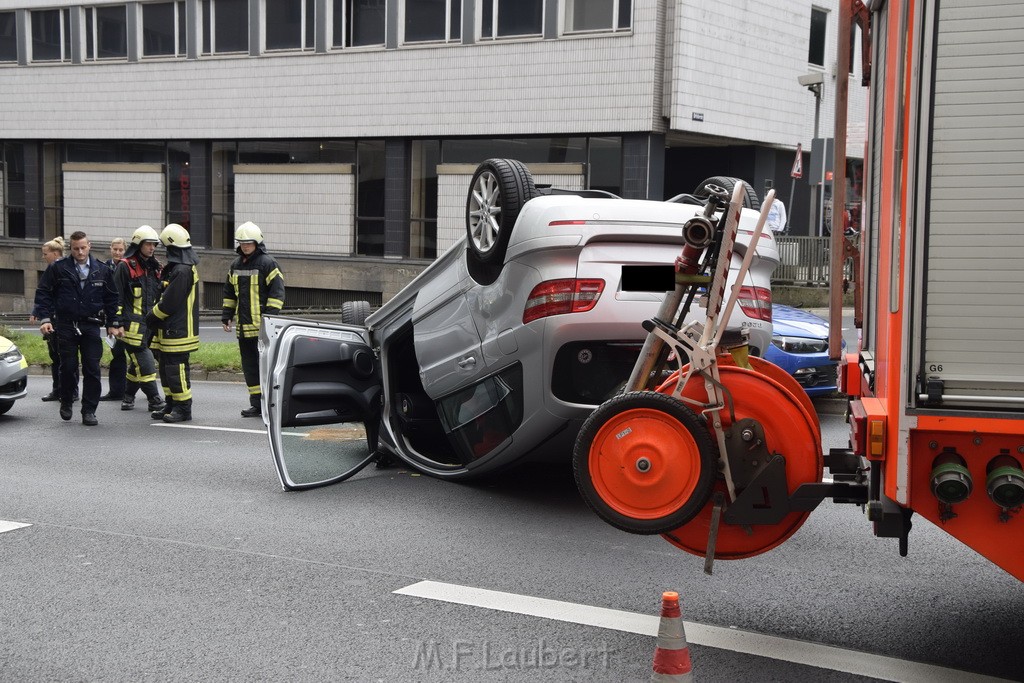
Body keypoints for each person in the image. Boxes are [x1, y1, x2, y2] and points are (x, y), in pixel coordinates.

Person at [33, 231, 123, 426]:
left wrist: (113, 324)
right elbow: (43, 292)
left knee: (92, 369)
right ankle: (66, 400)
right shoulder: (58, 268)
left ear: (89, 246)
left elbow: (111, 299)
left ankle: (89, 410)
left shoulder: (101, 270)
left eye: (83, 248)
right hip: (66, 325)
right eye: (76, 249)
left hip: (91, 325)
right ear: (70, 248)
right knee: (68, 368)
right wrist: (45, 318)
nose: (80, 252)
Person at [221, 222, 285, 418]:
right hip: (243, 329)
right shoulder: (235, 265)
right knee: (250, 368)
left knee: (266, 368)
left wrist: (270, 319)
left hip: (262, 329)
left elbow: (277, 293)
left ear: (257, 243)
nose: (245, 246)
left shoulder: (268, 263)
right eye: (242, 243)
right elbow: (229, 293)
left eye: (248, 243)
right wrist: (226, 316)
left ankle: (270, 404)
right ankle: (256, 404)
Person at [147, 223, 199, 423]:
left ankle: (183, 408)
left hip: (178, 331)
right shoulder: (177, 268)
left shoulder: (183, 271)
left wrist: (151, 316)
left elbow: (169, 303)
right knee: (167, 371)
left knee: (176, 371)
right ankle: (171, 404)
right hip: (169, 330)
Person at [113, 226, 165, 413]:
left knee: (136, 365)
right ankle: (155, 400)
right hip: (130, 327)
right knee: (146, 362)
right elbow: (115, 297)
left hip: (150, 326)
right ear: (138, 244)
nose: (152, 248)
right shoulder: (124, 266)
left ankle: (128, 398)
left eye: (154, 244)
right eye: (148, 244)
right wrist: (116, 323)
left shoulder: (155, 267)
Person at [30, 237, 79, 403]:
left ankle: (72, 391)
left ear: (56, 253)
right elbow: (44, 294)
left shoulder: (67, 270)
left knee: (68, 358)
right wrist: (38, 312)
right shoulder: (51, 271)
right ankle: (57, 389)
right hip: (52, 320)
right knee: (55, 357)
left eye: (46, 254)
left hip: (64, 320)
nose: (43, 257)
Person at [101, 237, 129, 401]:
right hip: (111, 316)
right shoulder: (105, 267)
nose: (118, 253)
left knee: (136, 354)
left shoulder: (128, 267)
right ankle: (117, 391)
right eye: (115, 249)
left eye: (121, 250)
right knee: (117, 353)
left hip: (128, 316)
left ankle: (137, 389)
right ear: (110, 249)